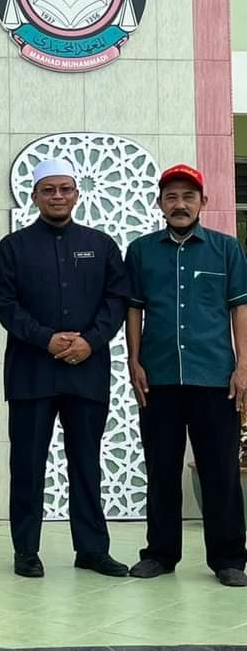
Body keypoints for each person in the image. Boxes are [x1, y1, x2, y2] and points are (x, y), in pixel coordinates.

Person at [0, 158, 130, 578]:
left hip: (87, 372)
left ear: (76, 193)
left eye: (65, 189)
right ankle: (26, 551)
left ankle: (92, 549)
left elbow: (116, 300)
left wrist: (90, 341)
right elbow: (6, 306)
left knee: (86, 464)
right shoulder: (12, 248)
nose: (57, 196)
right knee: (27, 465)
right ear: (34, 196)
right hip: (31, 374)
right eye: (48, 190)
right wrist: (46, 338)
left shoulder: (101, 245)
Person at [125, 163, 247, 587]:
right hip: (158, 377)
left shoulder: (226, 249)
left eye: (188, 197)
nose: (180, 204)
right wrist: (134, 361)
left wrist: (243, 366)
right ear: (160, 204)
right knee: (161, 469)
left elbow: (239, 308)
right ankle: (160, 554)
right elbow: (134, 309)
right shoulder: (141, 251)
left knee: (221, 472)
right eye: (172, 197)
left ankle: (229, 559)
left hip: (215, 377)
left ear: (203, 202)